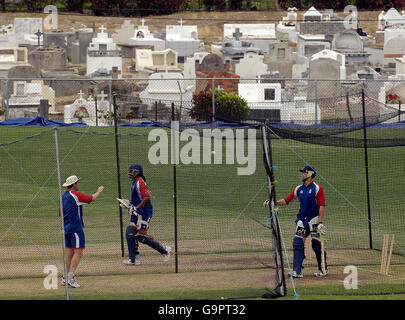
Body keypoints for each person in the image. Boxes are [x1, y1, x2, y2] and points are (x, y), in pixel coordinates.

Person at [264, 166, 327, 278]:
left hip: (314, 220)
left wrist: (320, 222)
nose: (301, 174)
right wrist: (273, 202)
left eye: (304, 173)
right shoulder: (299, 189)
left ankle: (322, 268)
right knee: (297, 242)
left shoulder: (317, 188)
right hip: (302, 221)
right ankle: (297, 271)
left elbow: (322, 205)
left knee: (316, 244)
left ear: (310, 174)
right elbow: (286, 200)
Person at [122, 164, 171, 266]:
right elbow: (139, 198)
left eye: (131, 171)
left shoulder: (140, 182)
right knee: (130, 233)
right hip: (136, 212)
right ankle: (134, 259)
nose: (129, 173)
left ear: (137, 172)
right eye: (129, 171)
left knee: (140, 236)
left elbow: (147, 197)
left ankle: (164, 251)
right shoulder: (134, 182)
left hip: (144, 212)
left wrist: (137, 207)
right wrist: (128, 203)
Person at [60, 175, 104, 288]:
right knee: (78, 252)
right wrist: (99, 191)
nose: (78, 184)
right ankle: (70, 276)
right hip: (75, 228)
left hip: (65, 228)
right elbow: (92, 198)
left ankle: (65, 277)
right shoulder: (75, 195)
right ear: (73, 184)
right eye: (77, 183)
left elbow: (60, 213)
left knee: (69, 253)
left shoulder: (63, 196)